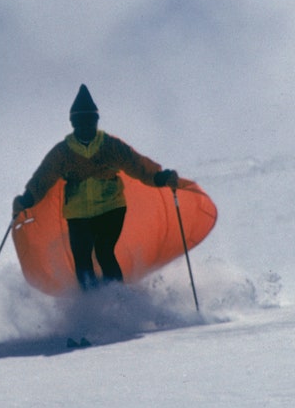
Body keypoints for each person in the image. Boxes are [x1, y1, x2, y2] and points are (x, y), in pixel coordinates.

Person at [12, 84, 181, 290]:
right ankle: (91, 305)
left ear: (96, 121)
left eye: (89, 122)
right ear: (73, 124)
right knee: (82, 259)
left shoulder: (110, 146)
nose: (85, 127)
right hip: (77, 213)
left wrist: (160, 177)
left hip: (111, 207)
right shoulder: (63, 153)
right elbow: (44, 177)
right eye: (80, 123)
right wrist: (28, 198)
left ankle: (118, 297)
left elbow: (136, 165)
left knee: (103, 250)